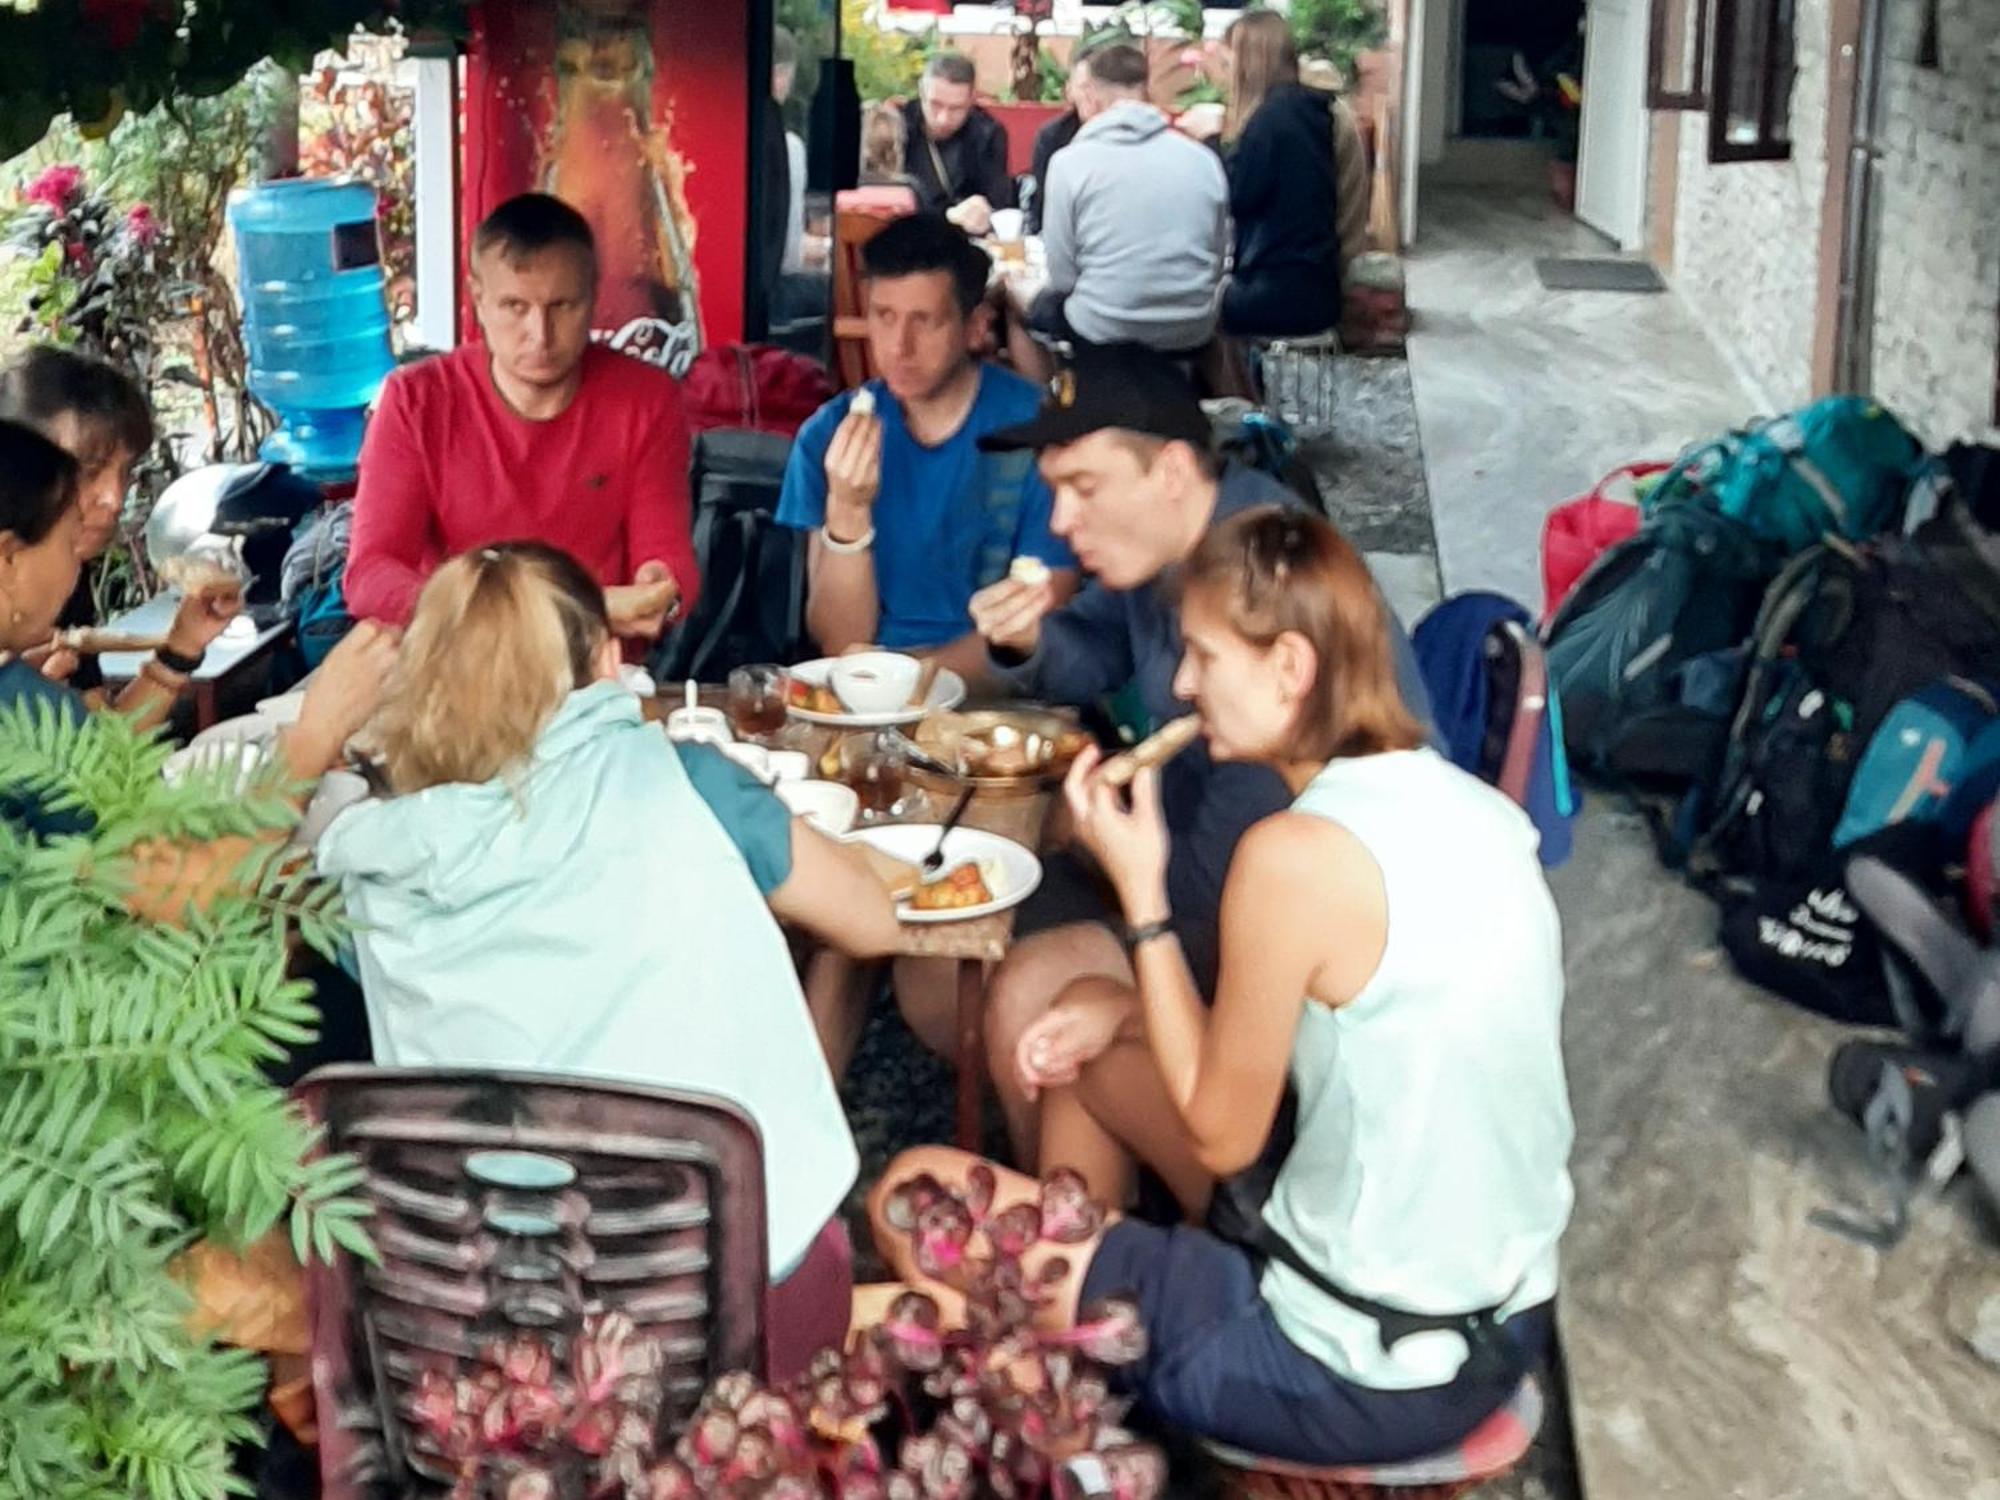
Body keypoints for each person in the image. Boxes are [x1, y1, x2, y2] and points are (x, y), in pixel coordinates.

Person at [871, 505, 1571, 1467]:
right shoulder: (1471, 811)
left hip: (1345, 1365)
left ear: (1290, 667)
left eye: (1201, 655)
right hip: (1498, 1318)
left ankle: (1080, 1398)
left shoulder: (1291, 857)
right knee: (1090, 1063)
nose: (1183, 683)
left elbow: (1222, 1132)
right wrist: (1119, 1008)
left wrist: (1142, 888)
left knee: (915, 1192)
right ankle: (1081, 1358)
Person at [313, 542, 903, 1362]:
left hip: (490, 1332)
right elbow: (874, 922)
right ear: (607, 657)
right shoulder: (685, 782)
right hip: (735, 1303)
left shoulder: (370, 866)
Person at [939, 346, 1430, 1160]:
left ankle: (1123, 1238)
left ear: (1170, 471)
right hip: (1214, 862)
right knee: (990, 933)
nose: (1059, 523)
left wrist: (1080, 839)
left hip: (1312, 939)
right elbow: (1097, 645)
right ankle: (1098, 1226)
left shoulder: (1256, 594)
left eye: (1082, 489)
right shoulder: (1177, 545)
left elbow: (1222, 879)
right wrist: (1029, 640)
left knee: (1029, 992)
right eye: (1053, 490)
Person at [0, 420, 393, 894]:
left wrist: (178, 652)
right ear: (8, 559)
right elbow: (181, 896)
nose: (75, 566)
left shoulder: (23, 691)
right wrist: (315, 736)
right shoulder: (22, 710)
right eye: (68, 544)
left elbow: (103, 764)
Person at [344, 193, 698, 637]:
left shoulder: (646, 399)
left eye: (562, 307)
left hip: (596, 672)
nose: (540, 335)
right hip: (461, 657)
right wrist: (531, 615)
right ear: (479, 299)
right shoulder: (415, 400)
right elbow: (370, 575)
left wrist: (661, 589)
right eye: (516, 307)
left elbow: (669, 560)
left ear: (592, 297)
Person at [776, 213, 1076, 677]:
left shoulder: (1037, 430)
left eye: (926, 320)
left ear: (976, 327)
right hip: (867, 693)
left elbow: (1037, 629)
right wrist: (849, 513)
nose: (900, 345)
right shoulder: (828, 435)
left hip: (998, 699)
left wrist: (909, 680)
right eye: (884, 317)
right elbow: (840, 641)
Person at [0, 347, 240, 721]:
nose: (115, 498)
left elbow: (105, 752)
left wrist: (182, 647)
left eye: (125, 472)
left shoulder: (64, 578)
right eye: (88, 470)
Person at [1025, 43, 1229, 362]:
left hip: (1103, 326)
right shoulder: (1202, 159)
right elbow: (1216, 260)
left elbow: (1062, 278)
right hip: (1192, 326)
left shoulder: (1069, 163)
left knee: (1028, 306)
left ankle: (1047, 406)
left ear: (1091, 96)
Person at [1216, 10, 1344, 339]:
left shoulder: (1270, 120)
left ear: (1249, 61)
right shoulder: (1305, 111)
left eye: (1229, 61)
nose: (1225, 71)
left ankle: (1234, 390)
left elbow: (1235, 196)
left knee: (1189, 311)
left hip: (1277, 293)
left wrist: (1211, 140)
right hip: (1317, 287)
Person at [900, 53, 1013, 235]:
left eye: (956, 108)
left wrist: (985, 212)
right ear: (921, 92)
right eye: (935, 105)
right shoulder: (899, 127)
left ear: (972, 100)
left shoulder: (987, 133)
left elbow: (998, 200)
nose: (943, 119)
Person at [1025, 46, 1096, 235]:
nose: (1093, 98)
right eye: (1085, 87)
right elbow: (1043, 205)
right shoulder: (1053, 137)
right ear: (1069, 90)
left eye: (1099, 88)